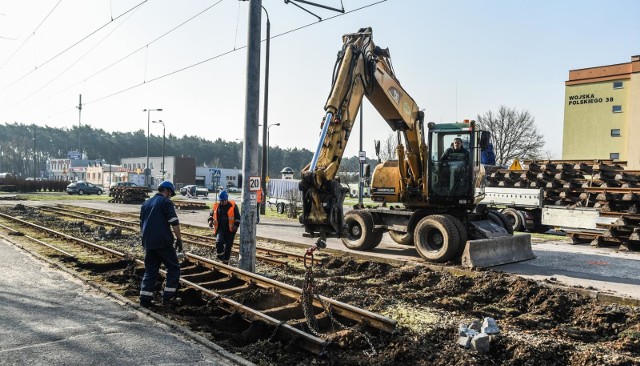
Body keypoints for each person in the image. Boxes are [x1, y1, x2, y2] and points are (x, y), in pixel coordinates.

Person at [139, 180, 183, 308]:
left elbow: (141, 224)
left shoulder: (145, 203)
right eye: (170, 193)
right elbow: (174, 222)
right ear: (167, 191)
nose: (170, 196)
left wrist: (145, 241)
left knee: (151, 270)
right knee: (174, 268)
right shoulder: (165, 202)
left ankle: (144, 299)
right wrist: (179, 239)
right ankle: (167, 298)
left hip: (148, 242)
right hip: (163, 242)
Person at [208, 190, 240, 264]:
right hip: (220, 229)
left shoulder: (233, 205)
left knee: (228, 246)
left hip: (231, 230)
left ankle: (225, 262)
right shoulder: (216, 206)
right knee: (219, 242)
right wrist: (210, 221)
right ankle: (220, 255)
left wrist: (236, 225)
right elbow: (211, 215)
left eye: (224, 200)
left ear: (227, 199)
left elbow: (238, 217)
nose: (222, 202)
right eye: (221, 201)